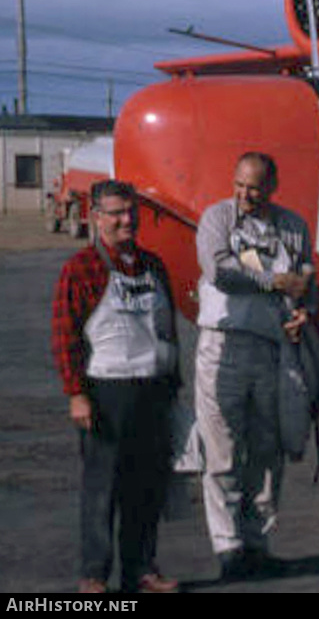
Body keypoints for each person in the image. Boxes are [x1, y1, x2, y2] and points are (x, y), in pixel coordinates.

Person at [51, 179, 180, 593]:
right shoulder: (81, 269)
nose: (127, 220)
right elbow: (64, 336)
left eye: (132, 212)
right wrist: (76, 394)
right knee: (102, 487)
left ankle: (141, 569)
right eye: (116, 213)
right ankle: (94, 574)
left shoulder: (153, 266)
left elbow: (167, 330)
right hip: (106, 393)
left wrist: (174, 386)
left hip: (152, 390)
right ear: (96, 217)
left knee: (146, 486)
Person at [195, 152, 315, 580]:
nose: (245, 194)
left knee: (268, 449)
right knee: (223, 448)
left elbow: (305, 282)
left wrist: (304, 311)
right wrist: (274, 281)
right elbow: (220, 271)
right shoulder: (217, 219)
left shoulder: (293, 227)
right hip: (222, 346)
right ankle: (229, 549)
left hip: (272, 348)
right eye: (240, 185)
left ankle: (258, 544)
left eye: (255, 188)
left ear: (272, 187)